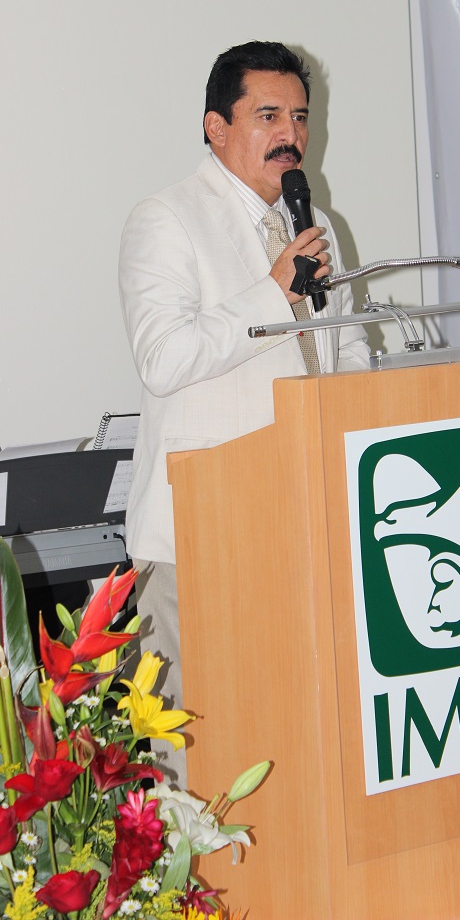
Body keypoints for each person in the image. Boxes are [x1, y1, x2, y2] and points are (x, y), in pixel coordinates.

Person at [118, 41, 370, 784]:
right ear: (216, 127)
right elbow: (163, 358)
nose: (291, 133)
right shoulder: (166, 219)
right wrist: (274, 292)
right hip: (199, 538)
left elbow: (346, 343)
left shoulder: (314, 223)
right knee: (196, 761)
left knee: (291, 742)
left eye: (300, 116)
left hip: (302, 524)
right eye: (268, 116)